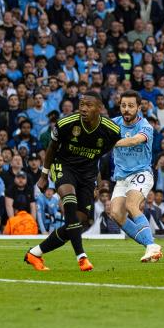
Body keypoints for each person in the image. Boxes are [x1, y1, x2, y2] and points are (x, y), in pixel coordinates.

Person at [24, 92, 121, 272]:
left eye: (89, 105)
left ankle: (35, 253)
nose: (83, 109)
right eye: (81, 104)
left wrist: (97, 180)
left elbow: (99, 156)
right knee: (69, 201)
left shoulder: (111, 130)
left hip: (87, 174)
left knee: (79, 221)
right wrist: (44, 175)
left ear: (99, 109)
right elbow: (51, 148)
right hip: (64, 166)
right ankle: (81, 257)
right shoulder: (66, 123)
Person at [108, 90, 162, 262]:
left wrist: (110, 143)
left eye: (131, 106)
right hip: (122, 178)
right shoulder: (114, 124)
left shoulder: (145, 126)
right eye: (123, 106)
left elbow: (134, 140)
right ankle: (150, 245)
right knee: (116, 213)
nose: (126, 109)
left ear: (139, 108)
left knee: (132, 205)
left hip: (141, 173)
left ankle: (151, 246)